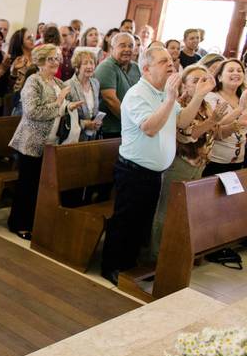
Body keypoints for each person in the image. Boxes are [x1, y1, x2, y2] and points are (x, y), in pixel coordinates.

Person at [100, 47, 206, 285]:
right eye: (163, 61)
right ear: (146, 69)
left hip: (154, 173)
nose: (171, 64)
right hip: (133, 170)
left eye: (170, 60)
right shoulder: (137, 94)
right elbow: (149, 128)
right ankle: (112, 267)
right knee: (126, 221)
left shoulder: (162, 92)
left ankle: (129, 265)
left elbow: (182, 121)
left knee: (141, 222)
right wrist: (170, 99)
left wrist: (198, 96)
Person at [145, 65, 229, 265]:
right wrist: (212, 121)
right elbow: (187, 135)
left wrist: (235, 115)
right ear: (184, 85)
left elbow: (215, 131)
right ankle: (155, 258)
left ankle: (175, 253)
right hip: (179, 163)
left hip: (198, 164)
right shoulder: (179, 104)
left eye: (204, 80)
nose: (201, 84)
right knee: (166, 211)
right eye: (195, 80)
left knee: (185, 212)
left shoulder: (206, 105)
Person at [7, 44, 82, 239]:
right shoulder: (34, 81)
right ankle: (18, 224)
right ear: (40, 61)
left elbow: (61, 108)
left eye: (57, 58)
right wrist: (58, 103)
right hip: (32, 142)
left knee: (40, 186)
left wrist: (69, 106)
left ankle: (34, 222)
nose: (56, 62)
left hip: (52, 142)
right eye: (51, 59)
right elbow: (32, 112)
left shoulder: (57, 82)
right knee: (27, 185)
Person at [202, 59, 247, 176]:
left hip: (239, 161)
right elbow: (215, 127)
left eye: (239, 71)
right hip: (214, 161)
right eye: (231, 70)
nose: (236, 73)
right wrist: (239, 109)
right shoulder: (211, 97)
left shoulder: (243, 98)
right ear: (220, 77)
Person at [93, 32, 141, 138]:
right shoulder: (106, 67)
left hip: (132, 128)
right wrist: (132, 122)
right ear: (112, 48)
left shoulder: (136, 67)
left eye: (130, 46)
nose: (127, 49)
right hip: (111, 130)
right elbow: (111, 101)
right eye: (122, 45)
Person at [67, 49, 102, 141]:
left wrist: (97, 122)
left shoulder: (95, 83)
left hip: (93, 135)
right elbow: (65, 116)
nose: (89, 66)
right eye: (85, 63)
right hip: (75, 137)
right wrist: (84, 124)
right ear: (77, 67)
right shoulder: (67, 85)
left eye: (92, 63)